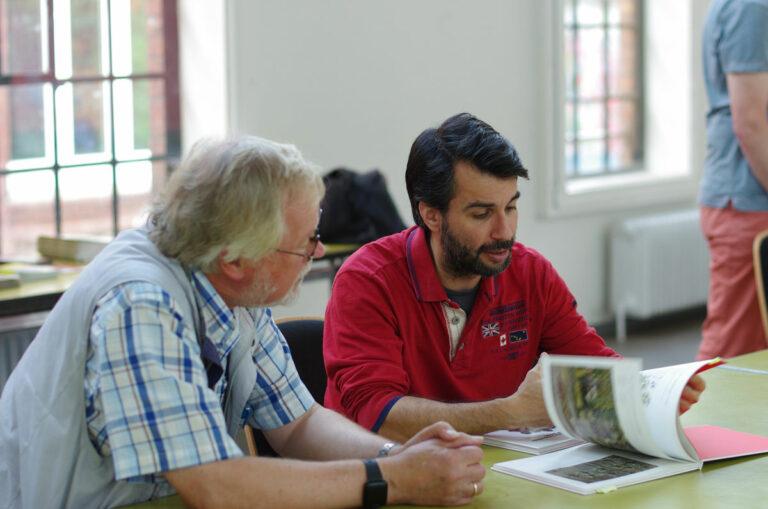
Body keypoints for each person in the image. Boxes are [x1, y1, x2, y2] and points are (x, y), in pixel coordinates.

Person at [0, 136, 486, 509]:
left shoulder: (232, 284)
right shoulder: (140, 305)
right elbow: (212, 483)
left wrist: (391, 455)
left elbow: (298, 425)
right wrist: (395, 479)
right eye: (306, 242)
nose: (317, 251)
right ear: (236, 259)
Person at [323, 113, 705, 442]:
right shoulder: (367, 281)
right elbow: (377, 418)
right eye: (481, 213)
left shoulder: (530, 272)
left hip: (495, 475)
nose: (504, 231)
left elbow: (594, 365)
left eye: (511, 206)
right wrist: (511, 413)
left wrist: (652, 394)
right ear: (431, 215)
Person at [698, 0, 768, 359]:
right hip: (747, 203)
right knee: (734, 353)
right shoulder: (750, 8)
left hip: (749, 199)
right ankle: (695, 418)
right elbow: (751, 122)